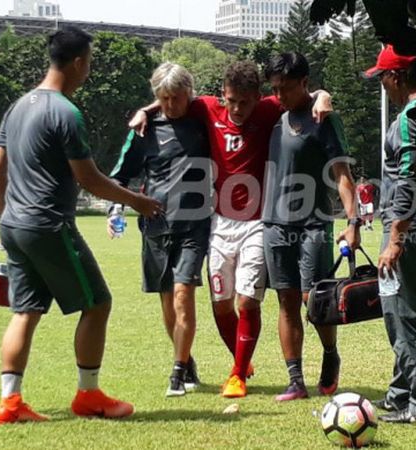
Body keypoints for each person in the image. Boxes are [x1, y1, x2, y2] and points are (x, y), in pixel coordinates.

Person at [130, 61, 333, 399]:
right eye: (230, 101)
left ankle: (237, 373)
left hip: (258, 222)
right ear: (222, 96)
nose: (236, 109)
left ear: (258, 97)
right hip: (220, 221)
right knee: (221, 304)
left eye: (244, 102)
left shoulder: (270, 109)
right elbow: (172, 96)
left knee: (246, 301)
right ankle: (243, 360)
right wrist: (145, 109)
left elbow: (307, 95)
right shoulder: (208, 108)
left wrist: (323, 96)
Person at [0, 26, 161, 425]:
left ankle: (10, 402)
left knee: (25, 310)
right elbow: (88, 178)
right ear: (79, 62)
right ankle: (88, 394)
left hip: (14, 225)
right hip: (48, 224)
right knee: (97, 303)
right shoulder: (66, 112)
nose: (90, 70)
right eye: (90, 63)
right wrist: (138, 201)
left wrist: (5, 216)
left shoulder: (18, 107)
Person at [260, 52, 361, 401]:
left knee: (314, 300)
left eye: (286, 88)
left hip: (314, 223)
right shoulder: (272, 114)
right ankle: (295, 381)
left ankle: (330, 355)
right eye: (274, 89)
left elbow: (342, 174)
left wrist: (353, 221)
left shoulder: (324, 119)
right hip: (274, 223)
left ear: (305, 83)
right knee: (286, 300)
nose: (279, 96)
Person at [110, 63, 210, 397]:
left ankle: (177, 374)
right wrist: (116, 208)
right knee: (167, 301)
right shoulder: (144, 130)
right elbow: (119, 176)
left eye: (176, 97)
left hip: (194, 225)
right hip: (155, 227)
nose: (170, 105)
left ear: (189, 94)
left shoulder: (202, 121)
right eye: (163, 98)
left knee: (184, 294)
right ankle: (187, 359)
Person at [366, 44, 416, 425]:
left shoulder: (407, 119)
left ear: (396, 77)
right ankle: (400, 394)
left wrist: (396, 237)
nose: (381, 85)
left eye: (382, 76)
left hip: (408, 231)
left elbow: (410, 173)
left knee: (403, 319)